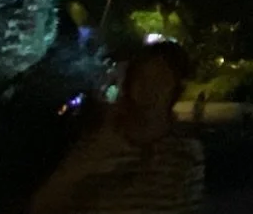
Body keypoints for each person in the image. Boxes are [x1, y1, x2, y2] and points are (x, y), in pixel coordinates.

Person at [30, 42, 204, 214]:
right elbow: (43, 204)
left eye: (161, 78)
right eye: (142, 77)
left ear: (175, 88)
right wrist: (90, 163)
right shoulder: (99, 142)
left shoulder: (185, 153)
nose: (150, 86)